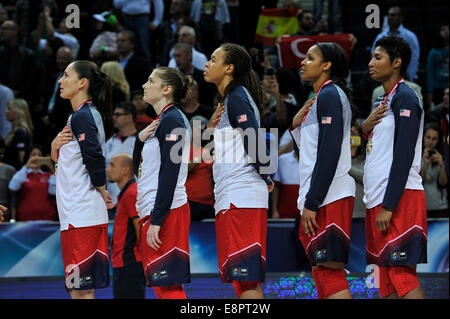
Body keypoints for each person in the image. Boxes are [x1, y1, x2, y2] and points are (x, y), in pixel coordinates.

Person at [204, 43, 273, 299]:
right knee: (240, 281)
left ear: (229, 68)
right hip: (232, 196)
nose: (207, 64)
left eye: (213, 59)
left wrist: (265, 175)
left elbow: (254, 138)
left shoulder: (237, 96)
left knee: (246, 281)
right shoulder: (229, 99)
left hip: (241, 197)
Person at [289, 42, 355, 299]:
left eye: (310, 58)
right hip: (319, 194)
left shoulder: (329, 95)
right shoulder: (319, 99)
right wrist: (296, 127)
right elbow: (310, 151)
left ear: (326, 65)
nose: (303, 62)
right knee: (320, 270)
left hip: (329, 194)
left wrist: (312, 202)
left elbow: (329, 154)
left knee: (329, 271)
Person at [363, 35, 427, 299]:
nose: (370, 63)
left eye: (378, 57)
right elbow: (382, 149)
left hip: (399, 199)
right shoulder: (385, 100)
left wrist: (389, 205)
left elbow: (403, 155)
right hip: (376, 198)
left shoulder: (406, 98)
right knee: (384, 280)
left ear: (397, 63)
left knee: (401, 274)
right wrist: (366, 129)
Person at [50, 60, 114, 299]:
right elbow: (68, 162)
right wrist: (53, 149)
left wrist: (102, 189)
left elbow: (94, 157)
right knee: (76, 288)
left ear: (82, 83)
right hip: (74, 215)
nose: (60, 80)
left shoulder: (83, 116)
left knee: (82, 290)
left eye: (66, 75)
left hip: (82, 214)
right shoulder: (77, 116)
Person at [133, 67, 192, 299]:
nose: (144, 86)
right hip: (154, 209)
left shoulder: (173, 119)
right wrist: (139, 139)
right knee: (161, 285)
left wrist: (158, 218)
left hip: (167, 212)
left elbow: (171, 172)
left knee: (168, 287)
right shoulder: (161, 121)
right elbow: (140, 169)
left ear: (166, 89)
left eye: (150, 81)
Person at [106, 153, 146, 299]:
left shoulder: (131, 193)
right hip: (124, 264)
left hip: (130, 264)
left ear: (125, 170)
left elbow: (140, 230)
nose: (107, 169)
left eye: (112, 165)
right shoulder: (128, 193)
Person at [8, 144, 56, 222]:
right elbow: (12, 187)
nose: (36, 157)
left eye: (39, 155)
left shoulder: (48, 175)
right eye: (33, 155)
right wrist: (27, 166)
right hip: (26, 218)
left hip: (47, 218)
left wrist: (53, 172)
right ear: (28, 157)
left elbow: (53, 192)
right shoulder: (22, 173)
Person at [370, 6, 420, 82]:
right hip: (384, 80)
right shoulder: (380, 37)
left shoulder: (410, 36)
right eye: (388, 15)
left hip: (405, 79)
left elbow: (413, 60)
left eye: (393, 15)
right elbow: (374, 58)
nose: (389, 17)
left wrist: (409, 80)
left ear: (401, 18)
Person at [105, 101, 138, 204]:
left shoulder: (142, 141)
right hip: (112, 200)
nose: (114, 117)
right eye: (113, 114)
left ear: (129, 117)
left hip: (136, 200)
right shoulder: (110, 142)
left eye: (118, 115)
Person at [419, 122, 448, 217]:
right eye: (428, 137)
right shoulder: (415, 156)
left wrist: (442, 165)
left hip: (441, 207)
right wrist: (426, 164)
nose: (430, 142)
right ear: (423, 138)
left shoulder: (441, 156)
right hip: (422, 206)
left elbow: (443, 183)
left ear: (438, 141)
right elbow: (418, 182)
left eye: (434, 139)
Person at [3, 98, 33, 170]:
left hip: (12, 173)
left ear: (18, 112)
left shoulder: (21, 132)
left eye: (9, 109)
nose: (6, 111)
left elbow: (21, 159)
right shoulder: (16, 131)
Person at [271, 147, 300, 218]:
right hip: (284, 213)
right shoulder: (282, 159)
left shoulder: (314, 160)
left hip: (305, 214)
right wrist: (274, 210)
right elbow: (276, 187)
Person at [426, 24, 448, 108]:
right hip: (438, 88)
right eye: (443, 29)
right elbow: (430, 73)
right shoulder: (434, 52)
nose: (446, 31)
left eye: (448, 29)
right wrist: (430, 92)